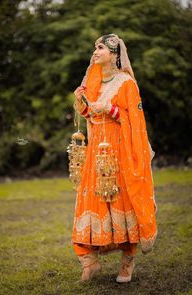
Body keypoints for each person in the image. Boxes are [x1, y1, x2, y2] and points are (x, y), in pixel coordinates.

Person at [71, 33, 157, 283]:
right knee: (89, 201)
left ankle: (127, 262)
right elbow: (91, 115)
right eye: (95, 47)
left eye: (101, 47)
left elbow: (135, 121)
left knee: (123, 201)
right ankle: (89, 261)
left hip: (119, 154)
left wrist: (110, 108)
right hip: (96, 154)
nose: (95, 51)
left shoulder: (125, 84)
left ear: (114, 54)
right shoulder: (94, 82)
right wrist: (82, 103)